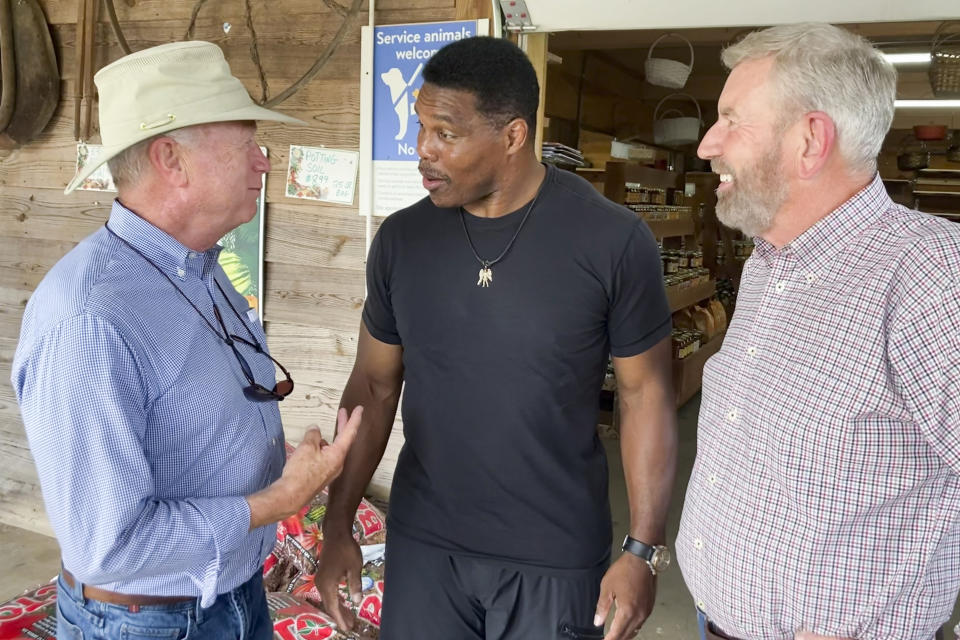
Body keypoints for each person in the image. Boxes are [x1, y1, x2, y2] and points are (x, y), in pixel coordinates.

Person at [313, 36, 677, 640]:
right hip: (427, 546)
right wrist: (337, 523)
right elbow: (374, 387)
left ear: (512, 137)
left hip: (555, 555)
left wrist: (642, 549)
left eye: (446, 135)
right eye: (421, 128)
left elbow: (646, 397)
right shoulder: (403, 242)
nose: (423, 151)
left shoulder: (612, 241)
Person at [11, 41, 362, 639]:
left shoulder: (197, 266)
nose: (263, 162)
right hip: (147, 622)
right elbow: (108, 547)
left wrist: (288, 468)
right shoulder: (89, 317)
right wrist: (276, 500)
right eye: (248, 142)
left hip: (229, 594)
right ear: (171, 158)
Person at [677, 22, 960, 640]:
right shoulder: (767, 263)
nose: (707, 145)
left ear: (811, 140)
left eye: (732, 120)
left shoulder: (931, 277)